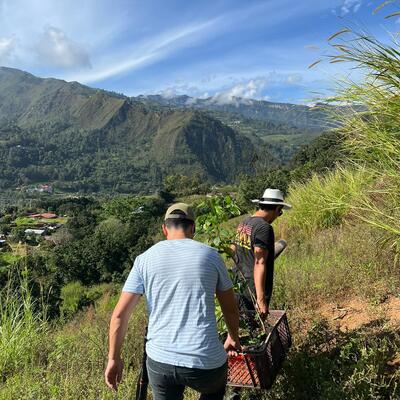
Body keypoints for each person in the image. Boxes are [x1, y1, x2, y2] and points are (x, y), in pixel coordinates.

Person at [105, 203, 241, 400]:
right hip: (206, 361)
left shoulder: (144, 259)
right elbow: (230, 309)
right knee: (214, 389)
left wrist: (113, 358)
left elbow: (120, 315)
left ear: (164, 229)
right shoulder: (212, 256)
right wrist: (233, 338)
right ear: (193, 228)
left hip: (161, 361)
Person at [232, 188, 291, 317]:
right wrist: (260, 299)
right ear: (277, 208)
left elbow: (234, 250)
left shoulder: (244, 223)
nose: (278, 216)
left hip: (238, 282)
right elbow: (259, 262)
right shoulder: (264, 228)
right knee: (255, 323)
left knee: (242, 322)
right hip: (252, 288)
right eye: (280, 212)